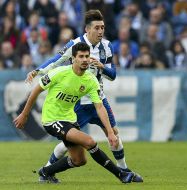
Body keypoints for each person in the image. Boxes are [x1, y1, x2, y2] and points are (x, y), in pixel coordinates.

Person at [25, 9, 143, 182]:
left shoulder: (107, 46)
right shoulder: (75, 44)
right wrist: (38, 70)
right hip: (79, 102)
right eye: (97, 27)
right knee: (70, 141)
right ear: (87, 29)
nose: (101, 31)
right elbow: (56, 60)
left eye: (103, 27)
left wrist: (101, 67)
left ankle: (125, 170)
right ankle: (47, 169)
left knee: (114, 134)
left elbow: (113, 75)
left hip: (98, 99)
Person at [14, 42, 134, 183]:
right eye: (81, 56)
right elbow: (36, 90)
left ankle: (46, 172)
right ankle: (121, 174)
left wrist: (110, 132)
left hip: (69, 119)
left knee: (79, 160)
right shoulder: (59, 73)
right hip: (52, 119)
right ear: (73, 58)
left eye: (87, 56)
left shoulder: (90, 80)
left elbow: (100, 107)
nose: (85, 59)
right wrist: (24, 114)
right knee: (90, 142)